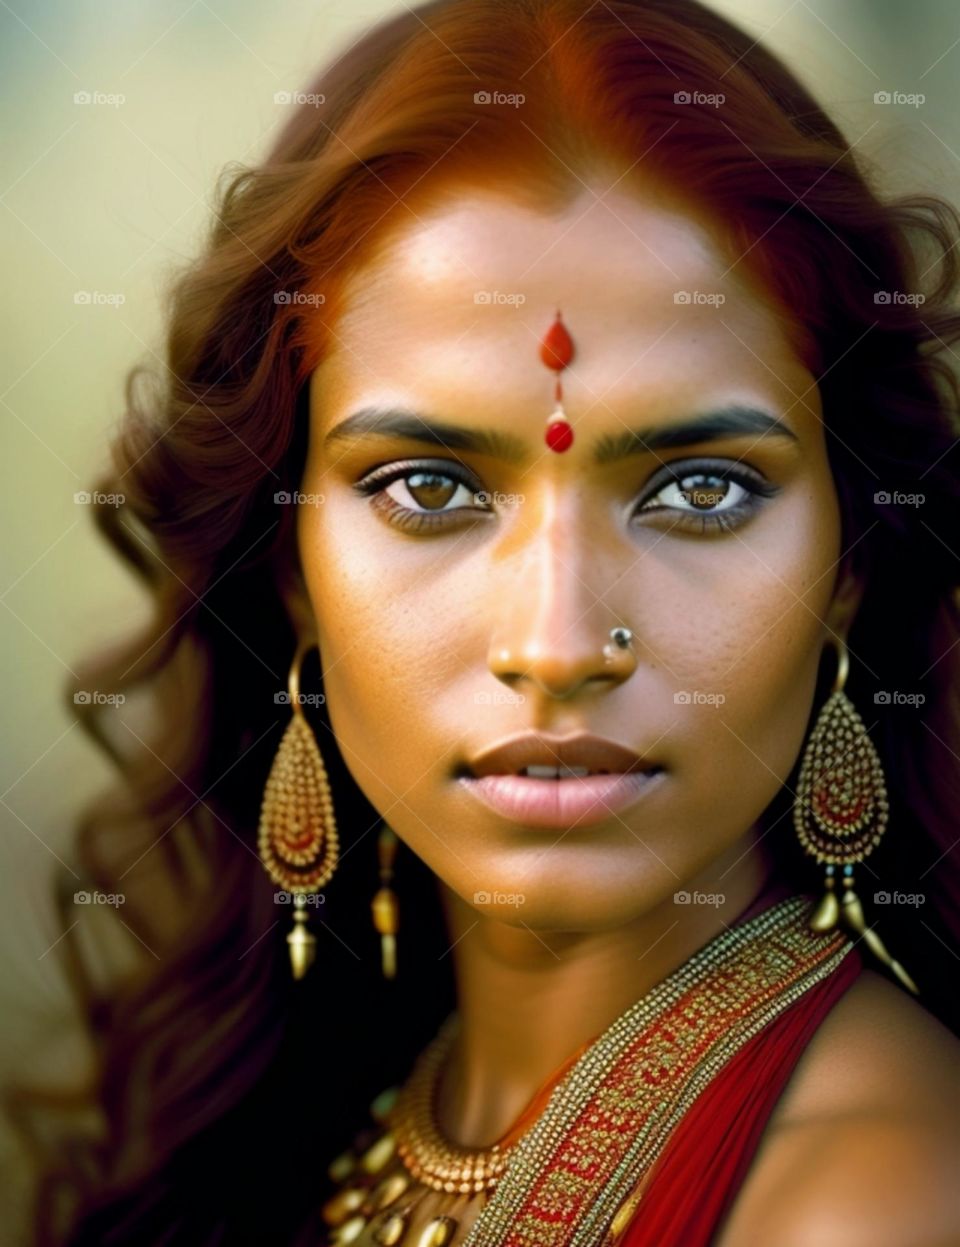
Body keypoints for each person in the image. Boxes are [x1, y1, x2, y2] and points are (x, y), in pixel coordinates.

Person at [19, 1, 960, 1244]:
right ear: (288, 568)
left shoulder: (874, 1196)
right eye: (430, 488)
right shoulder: (334, 1100)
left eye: (700, 490)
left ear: (849, 559)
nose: (560, 644)